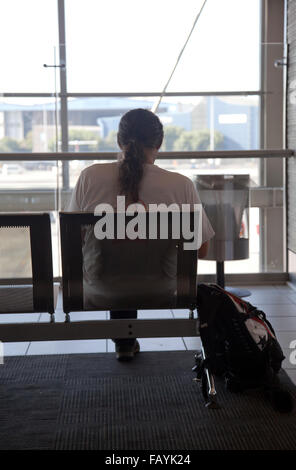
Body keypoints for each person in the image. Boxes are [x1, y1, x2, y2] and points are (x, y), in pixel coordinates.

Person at [67, 108, 214, 361]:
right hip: (166, 290)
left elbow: (74, 241)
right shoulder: (180, 185)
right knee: (136, 265)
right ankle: (126, 339)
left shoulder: (89, 178)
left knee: (119, 267)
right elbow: (201, 250)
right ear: (158, 143)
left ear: (118, 141)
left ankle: (124, 341)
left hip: (100, 290)